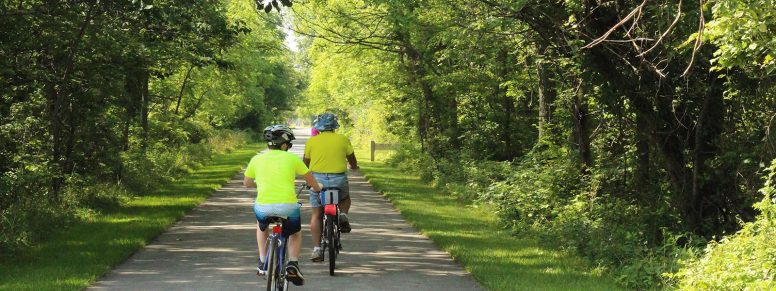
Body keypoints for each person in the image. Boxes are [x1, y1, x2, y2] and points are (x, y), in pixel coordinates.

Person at [243, 124, 322, 286]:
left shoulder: (257, 159)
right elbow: (311, 181)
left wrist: (262, 184)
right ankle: (293, 263)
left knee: (261, 225)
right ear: (284, 145)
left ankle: (263, 261)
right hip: (287, 207)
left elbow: (247, 183)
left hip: (263, 207)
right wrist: (317, 188)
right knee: (295, 232)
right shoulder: (292, 158)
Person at [303, 113, 359, 262]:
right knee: (345, 198)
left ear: (318, 127)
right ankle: (343, 215)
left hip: (317, 180)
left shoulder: (312, 141)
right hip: (338, 179)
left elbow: (305, 164)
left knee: (316, 214)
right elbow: (352, 160)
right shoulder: (343, 139)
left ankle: (316, 249)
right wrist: (354, 167)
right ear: (335, 126)